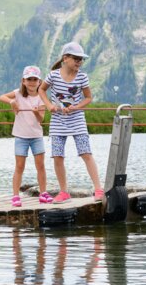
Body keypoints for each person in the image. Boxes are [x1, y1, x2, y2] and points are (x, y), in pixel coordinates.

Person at [38, 41, 104, 204]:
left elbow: (88, 97)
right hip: (58, 121)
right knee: (57, 156)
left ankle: (98, 189)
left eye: (81, 59)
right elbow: (41, 89)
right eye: (76, 59)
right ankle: (64, 192)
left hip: (77, 119)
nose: (79, 62)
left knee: (86, 153)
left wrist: (76, 107)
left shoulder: (82, 77)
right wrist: (49, 106)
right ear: (65, 58)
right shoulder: (53, 75)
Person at [0, 66, 53, 207]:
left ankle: (43, 193)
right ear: (23, 81)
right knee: (19, 166)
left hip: (36, 137)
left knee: (40, 166)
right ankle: (16, 195)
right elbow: (1, 97)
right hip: (20, 137)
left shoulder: (41, 98)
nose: (32, 82)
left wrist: (36, 113)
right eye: (29, 79)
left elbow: (41, 119)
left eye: (35, 79)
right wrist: (11, 102)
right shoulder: (17, 94)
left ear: (39, 82)